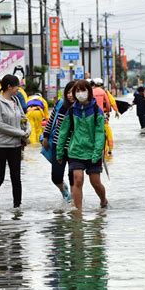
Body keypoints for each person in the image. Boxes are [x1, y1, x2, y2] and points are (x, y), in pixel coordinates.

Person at [56, 79, 108, 210]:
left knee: (95, 182)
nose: (80, 93)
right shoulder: (72, 111)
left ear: (89, 92)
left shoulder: (97, 111)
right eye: (77, 91)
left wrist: (97, 153)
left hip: (93, 151)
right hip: (76, 150)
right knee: (77, 179)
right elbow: (63, 132)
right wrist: (59, 151)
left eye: (83, 90)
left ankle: (103, 200)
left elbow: (100, 133)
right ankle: (78, 213)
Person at [0, 74, 31, 209]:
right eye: (17, 86)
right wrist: (21, 133)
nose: (19, 88)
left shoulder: (16, 100)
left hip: (16, 145)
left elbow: (23, 118)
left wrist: (28, 129)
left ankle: (17, 207)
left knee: (16, 178)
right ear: (9, 87)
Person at [42, 81, 75, 202]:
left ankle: (74, 202)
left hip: (74, 147)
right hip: (58, 145)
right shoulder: (60, 104)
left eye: (73, 92)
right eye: (68, 92)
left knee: (73, 177)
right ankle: (63, 191)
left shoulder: (81, 106)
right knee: (56, 177)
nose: (70, 95)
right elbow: (51, 121)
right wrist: (45, 137)